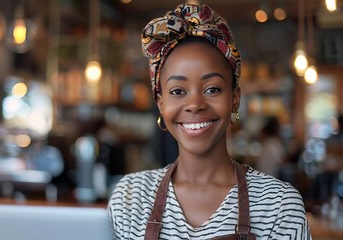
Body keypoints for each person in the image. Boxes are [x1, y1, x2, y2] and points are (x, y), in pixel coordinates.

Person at [107, 3, 311, 239]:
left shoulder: (279, 207)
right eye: (177, 91)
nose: (195, 104)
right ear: (161, 104)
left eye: (212, 89)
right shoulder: (130, 198)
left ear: (235, 99)